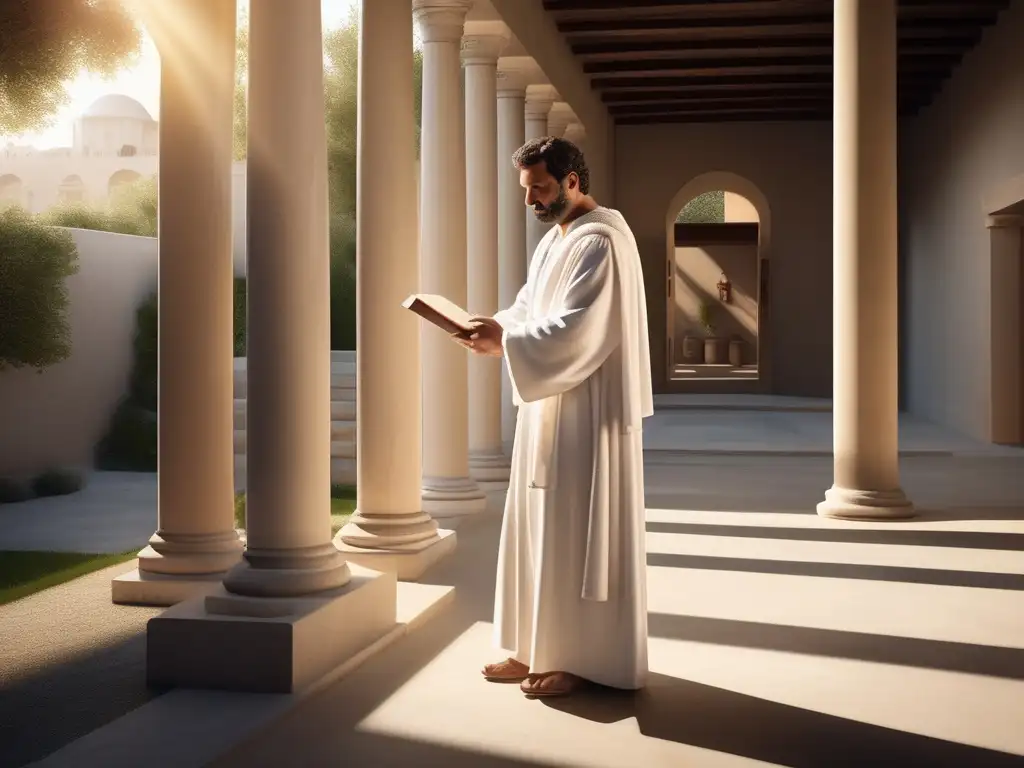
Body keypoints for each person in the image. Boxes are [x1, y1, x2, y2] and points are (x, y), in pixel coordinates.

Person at [456, 137, 653, 698]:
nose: (531, 201)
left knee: (574, 529)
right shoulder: (555, 242)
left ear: (572, 180)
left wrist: (508, 342)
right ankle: (535, 646)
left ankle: (576, 658)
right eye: (526, 190)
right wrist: (490, 326)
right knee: (539, 526)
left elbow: (581, 328)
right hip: (548, 407)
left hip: (586, 412)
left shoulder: (602, 241)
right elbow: (529, 309)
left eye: (539, 188)